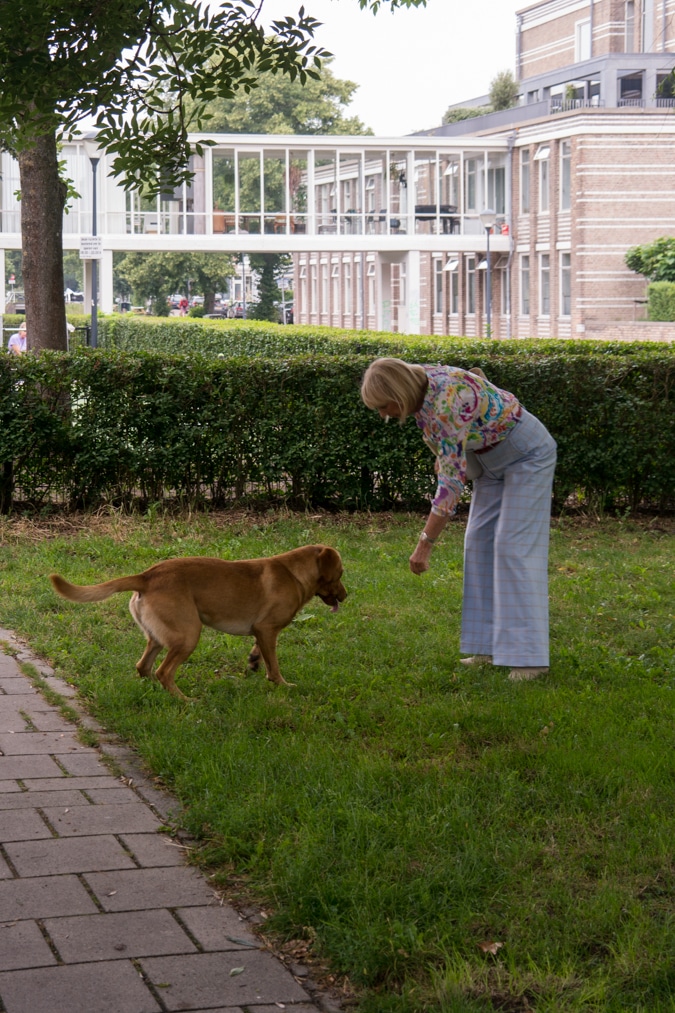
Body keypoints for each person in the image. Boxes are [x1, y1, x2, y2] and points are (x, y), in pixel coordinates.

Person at [360, 357, 557, 682]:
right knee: (478, 543)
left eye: (383, 407)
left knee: (512, 547)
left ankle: (529, 659)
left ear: (398, 394)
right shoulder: (418, 384)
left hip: (527, 455)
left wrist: (425, 544)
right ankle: (487, 646)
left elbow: (451, 487)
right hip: (488, 460)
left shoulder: (448, 401)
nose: (383, 415)